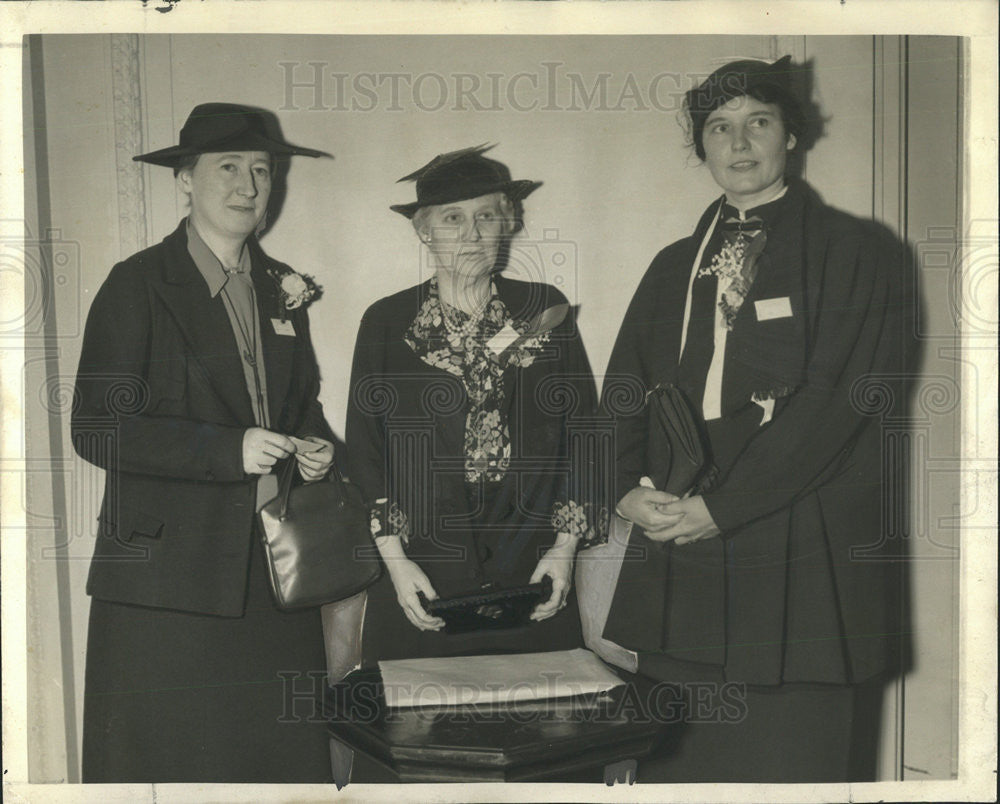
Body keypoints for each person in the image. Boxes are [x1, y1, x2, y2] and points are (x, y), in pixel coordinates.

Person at [599, 57, 911, 782]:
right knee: (682, 770)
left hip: (797, 550)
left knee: (785, 766)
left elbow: (843, 406)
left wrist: (727, 507)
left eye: (758, 123)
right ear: (702, 146)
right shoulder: (673, 265)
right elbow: (623, 390)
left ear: (790, 137)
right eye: (719, 128)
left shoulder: (858, 253)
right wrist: (621, 488)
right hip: (679, 548)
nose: (739, 145)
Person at [72, 103, 337, 783]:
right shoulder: (137, 284)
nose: (249, 184)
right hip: (166, 592)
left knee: (277, 773)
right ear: (184, 180)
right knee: (173, 773)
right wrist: (227, 451)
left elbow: (297, 407)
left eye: (262, 169)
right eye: (228, 167)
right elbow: (96, 425)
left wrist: (316, 446)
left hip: (275, 583)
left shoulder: (284, 290)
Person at [346, 145, 607, 665]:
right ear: (424, 230)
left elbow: (586, 438)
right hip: (422, 574)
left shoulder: (543, 309)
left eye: (486, 215)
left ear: (506, 223)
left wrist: (563, 550)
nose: (471, 233)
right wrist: (395, 562)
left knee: (544, 728)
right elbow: (366, 452)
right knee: (416, 730)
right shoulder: (385, 323)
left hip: (531, 574)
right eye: (452, 218)